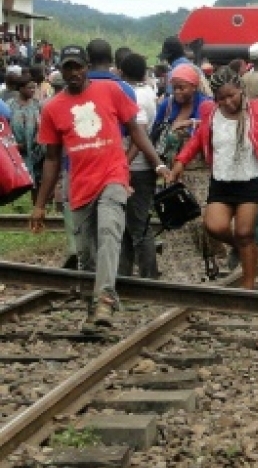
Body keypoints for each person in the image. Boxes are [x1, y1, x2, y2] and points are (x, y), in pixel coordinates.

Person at [30, 45, 169, 332]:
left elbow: (136, 130)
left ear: (87, 66)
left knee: (109, 232)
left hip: (113, 176)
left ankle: (105, 299)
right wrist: (40, 204)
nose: (74, 73)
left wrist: (157, 164)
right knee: (86, 254)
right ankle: (94, 310)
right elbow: (53, 159)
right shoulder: (53, 108)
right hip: (80, 186)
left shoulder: (110, 91)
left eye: (78, 66)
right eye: (68, 68)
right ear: (61, 71)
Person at [169, 66, 258, 289]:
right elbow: (197, 140)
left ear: (241, 90)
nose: (227, 102)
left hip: (253, 179)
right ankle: (243, 247)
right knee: (214, 226)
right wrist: (180, 162)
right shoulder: (209, 112)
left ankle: (248, 287)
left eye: (231, 95)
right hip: (223, 180)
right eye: (221, 98)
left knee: (245, 231)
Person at [119, 53, 159, 279]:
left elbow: (138, 133)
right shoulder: (149, 93)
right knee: (131, 224)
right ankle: (125, 274)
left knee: (138, 226)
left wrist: (124, 162)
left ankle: (148, 276)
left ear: (122, 72)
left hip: (134, 166)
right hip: (144, 166)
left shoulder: (131, 95)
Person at [7, 74, 44, 202]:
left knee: (35, 181)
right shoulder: (10, 106)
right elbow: (5, 127)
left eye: (34, 88)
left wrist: (38, 138)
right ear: (21, 89)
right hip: (15, 151)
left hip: (35, 151)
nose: (33, 91)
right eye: (29, 88)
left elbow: (41, 125)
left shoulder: (36, 105)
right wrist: (14, 145)